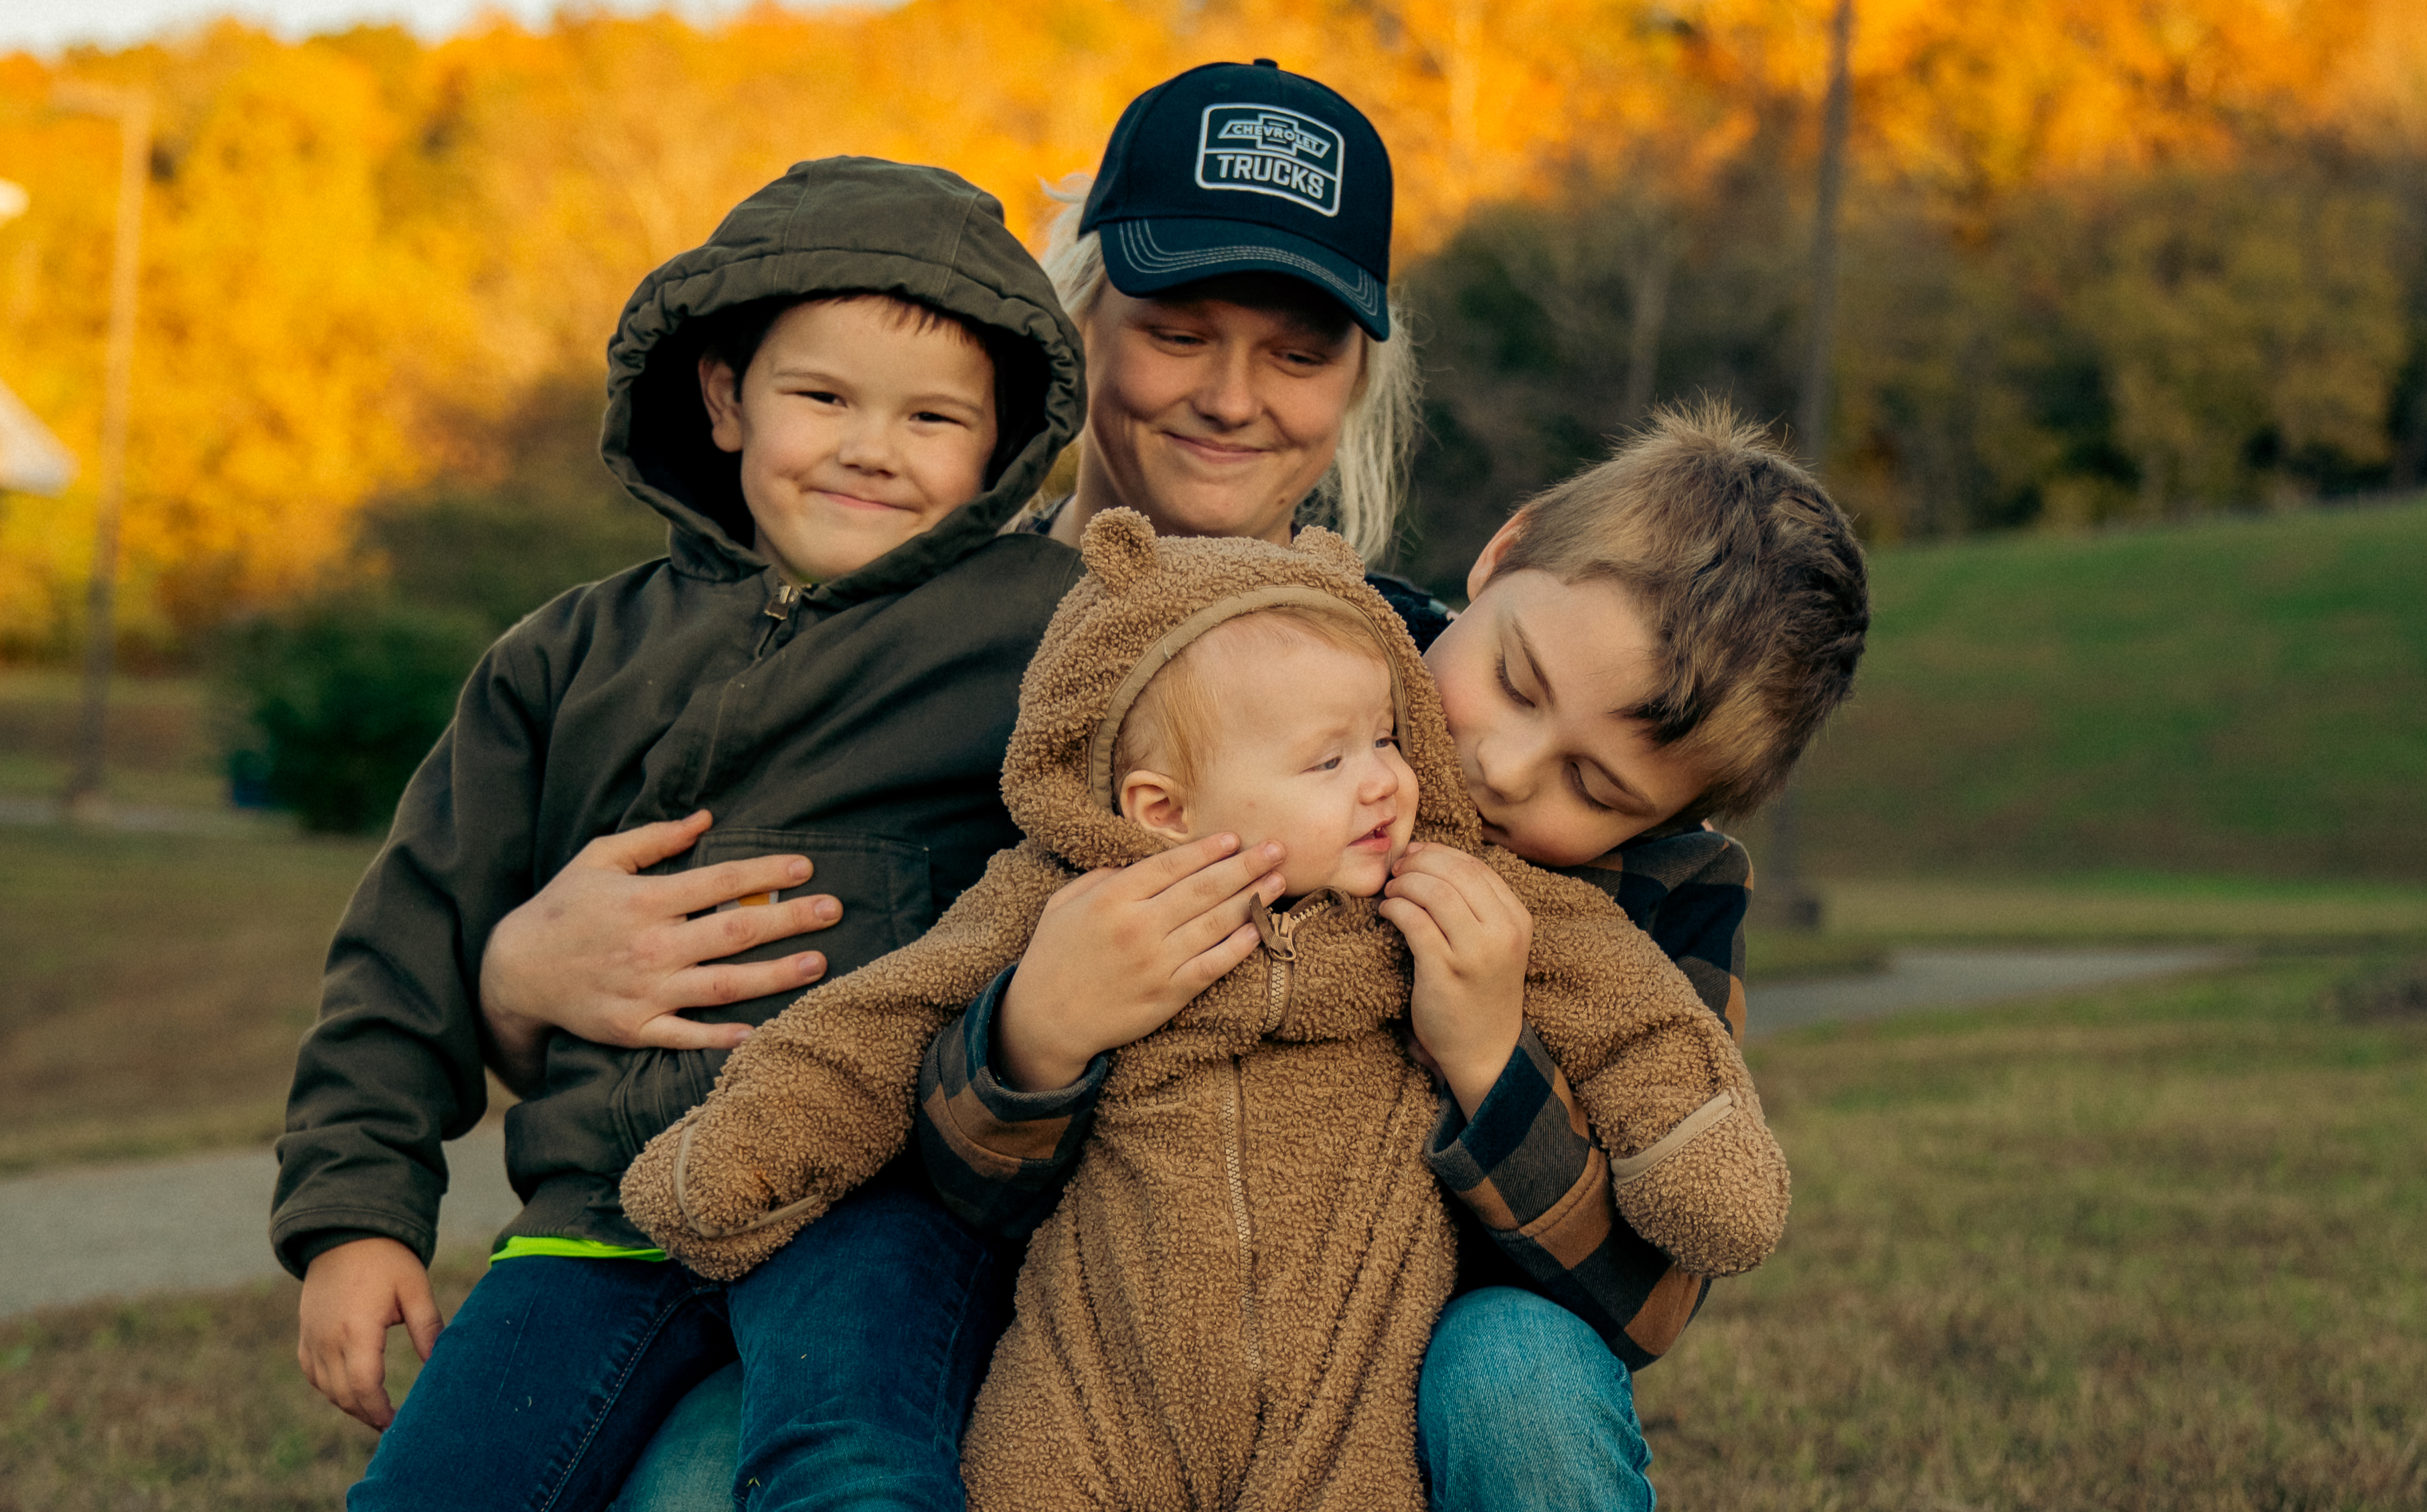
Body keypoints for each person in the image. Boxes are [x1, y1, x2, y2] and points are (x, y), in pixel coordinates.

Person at [619, 511, 1790, 1509]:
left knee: (1516, 1365)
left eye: (1597, 787)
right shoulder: (1233, 664)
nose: (1502, 768)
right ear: (1505, 551)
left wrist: (1490, 1061)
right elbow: (927, 1121)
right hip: (1103, 1349)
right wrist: (1043, 1028)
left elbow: (1652, 1296)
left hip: (1391, 1374)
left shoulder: (1663, 895)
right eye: (1517, 682)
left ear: (1658, 819)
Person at [268, 155, 1089, 1511]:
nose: (871, 447)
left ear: (996, 442)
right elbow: (405, 943)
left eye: (933, 417)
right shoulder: (565, 657)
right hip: (603, 1203)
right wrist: (355, 1217)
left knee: (852, 1464)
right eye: (820, 397)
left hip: (872, 1189)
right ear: (723, 397)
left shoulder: (1042, 630)